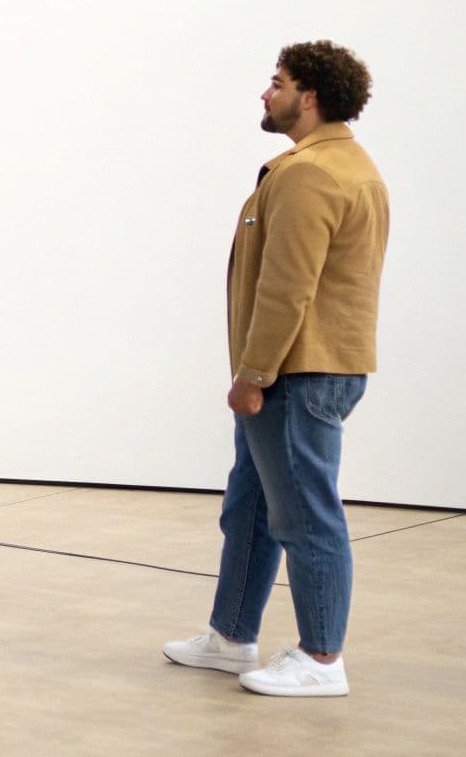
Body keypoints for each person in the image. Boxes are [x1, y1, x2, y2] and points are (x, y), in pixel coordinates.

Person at [162, 40, 389, 698]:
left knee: (305, 516)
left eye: (278, 82)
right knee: (253, 506)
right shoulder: (347, 167)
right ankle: (231, 637)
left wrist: (253, 373)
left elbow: (288, 286)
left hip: (298, 371)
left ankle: (322, 657)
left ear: (309, 95)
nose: (267, 93)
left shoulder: (310, 174)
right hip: (311, 366)